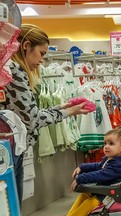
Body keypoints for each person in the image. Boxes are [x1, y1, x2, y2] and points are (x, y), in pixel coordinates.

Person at [1, 24, 88, 206]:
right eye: (41, 53)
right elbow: (33, 120)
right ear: (26, 46)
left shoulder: (14, 71)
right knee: (11, 210)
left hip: (13, 148)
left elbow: (28, 113)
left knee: (11, 208)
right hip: (10, 150)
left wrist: (61, 107)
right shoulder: (15, 73)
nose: (42, 60)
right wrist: (68, 111)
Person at [45, 129, 121, 216]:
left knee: (90, 202)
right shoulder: (110, 159)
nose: (106, 146)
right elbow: (98, 165)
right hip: (105, 192)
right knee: (84, 195)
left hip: (112, 196)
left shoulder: (119, 165)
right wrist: (82, 167)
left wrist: (80, 179)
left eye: (111, 143)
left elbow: (101, 174)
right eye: (105, 143)